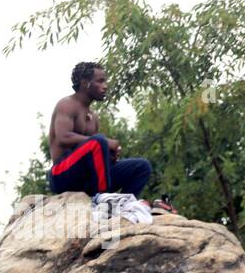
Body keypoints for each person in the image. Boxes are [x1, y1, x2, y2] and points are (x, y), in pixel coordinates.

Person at [46, 62, 174, 211]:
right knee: (99, 141)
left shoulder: (93, 116)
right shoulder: (67, 104)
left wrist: (109, 155)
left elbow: (92, 153)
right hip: (62, 175)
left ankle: (122, 207)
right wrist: (104, 143)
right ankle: (103, 198)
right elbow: (63, 137)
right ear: (85, 83)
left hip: (87, 180)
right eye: (100, 81)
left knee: (142, 166)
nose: (105, 86)